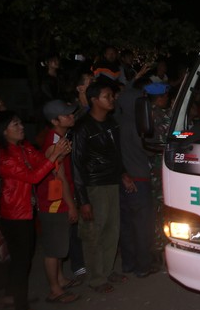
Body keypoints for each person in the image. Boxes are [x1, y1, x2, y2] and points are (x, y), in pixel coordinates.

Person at [0, 110, 70, 310]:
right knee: (21, 261)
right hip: (15, 215)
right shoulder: (5, 157)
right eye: (15, 124)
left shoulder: (22, 147)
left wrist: (56, 152)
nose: (20, 127)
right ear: (3, 131)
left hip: (23, 211)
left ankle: (12, 296)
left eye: (19, 122)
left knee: (21, 259)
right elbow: (33, 177)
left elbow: (40, 160)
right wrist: (54, 155)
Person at [71, 80, 134, 293]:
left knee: (111, 230)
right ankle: (96, 278)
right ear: (94, 100)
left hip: (110, 183)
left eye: (112, 95)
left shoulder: (110, 123)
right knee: (93, 234)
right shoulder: (82, 128)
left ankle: (106, 271)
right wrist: (83, 201)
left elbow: (116, 154)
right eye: (108, 96)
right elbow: (76, 166)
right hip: (93, 186)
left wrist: (123, 173)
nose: (112, 99)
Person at [36, 100, 80, 304]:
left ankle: (60, 280)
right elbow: (59, 177)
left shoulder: (59, 137)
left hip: (56, 200)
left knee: (60, 243)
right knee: (54, 249)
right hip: (53, 202)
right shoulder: (55, 143)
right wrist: (71, 205)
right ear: (55, 120)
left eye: (71, 113)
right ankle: (54, 290)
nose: (71, 116)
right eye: (66, 114)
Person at [115, 77, 158, 278]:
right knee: (143, 226)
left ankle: (129, 264)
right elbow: (150, 150)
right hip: (140, 179)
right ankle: (143, 266)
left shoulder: (117, 123)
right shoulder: (140, 125)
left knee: (127, 226)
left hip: (122, 179)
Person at [144, 82, 171, 259]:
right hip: (157, 167)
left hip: (153, 166)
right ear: (160, 97)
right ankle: (159, 243)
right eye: (166, 96)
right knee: (160, 206)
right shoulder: (157, 114)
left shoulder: (147, 112)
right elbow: (168, 138)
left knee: (157, 206)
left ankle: (158, 242)